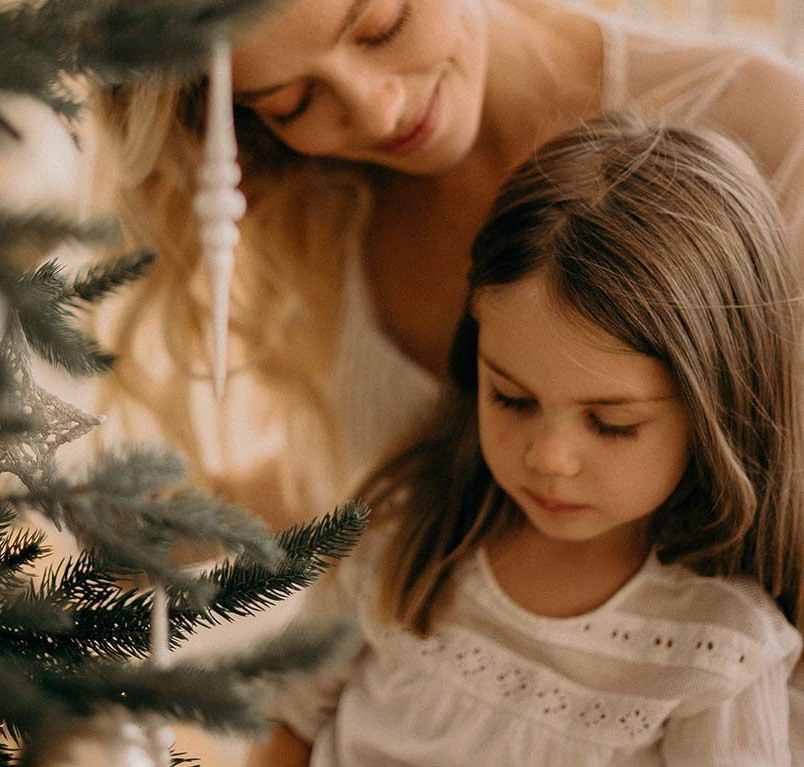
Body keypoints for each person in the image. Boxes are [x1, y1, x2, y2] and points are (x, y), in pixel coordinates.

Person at [91, 0, 804, 530]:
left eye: (381, 26)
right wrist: (186, 520)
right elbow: (395, 469)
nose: (375, 111)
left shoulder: (769, 132)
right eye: (293, 101)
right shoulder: (323, 195)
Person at [246, 113, 804, 766]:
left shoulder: (718, 650)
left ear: (717, 410)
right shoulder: (404, 531)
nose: (548, 457)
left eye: (611, 423)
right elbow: (285, 720)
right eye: (511, 398)